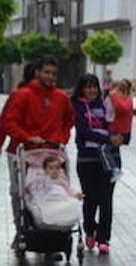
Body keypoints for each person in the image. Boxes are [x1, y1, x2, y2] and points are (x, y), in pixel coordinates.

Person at [5, 57, 73, 245]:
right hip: (22, 152)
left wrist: (62, 138)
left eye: (53, 73)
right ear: (37, 73)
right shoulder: (23, 95)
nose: (50, 76)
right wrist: (27, 137)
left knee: (53, 190)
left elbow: (69, 119)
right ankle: (21, 229)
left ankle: (52, 231)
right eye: (46, 72)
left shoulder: (61, 97)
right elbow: (9, 122)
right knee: (19, 191)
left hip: (51, 153)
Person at [70, 74, 118, 254]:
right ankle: (90, 229)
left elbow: (113, 123)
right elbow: (83, 131)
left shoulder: (105, 104)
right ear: (81, 89)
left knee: (106, 200)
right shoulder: (77, 106)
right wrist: (106, 137)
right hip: (87, 159)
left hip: (106, 158)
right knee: (90, 198)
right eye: (87, 87)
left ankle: (104, 239)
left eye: (94, 87)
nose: (91, 90)